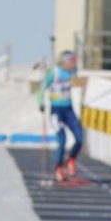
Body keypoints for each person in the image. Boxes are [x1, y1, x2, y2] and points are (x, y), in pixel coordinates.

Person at [38, 50, 84, 183]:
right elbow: (42, 87)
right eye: (71, 61)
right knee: (62, 139)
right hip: (56, 110)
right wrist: (41, 103)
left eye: (74, 61)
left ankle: (71, 160)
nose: (73, 64)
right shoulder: (55, 72)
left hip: (69, 109)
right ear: (64, 61)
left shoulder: (72, 72)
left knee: (79, 138)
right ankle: (58, 167)